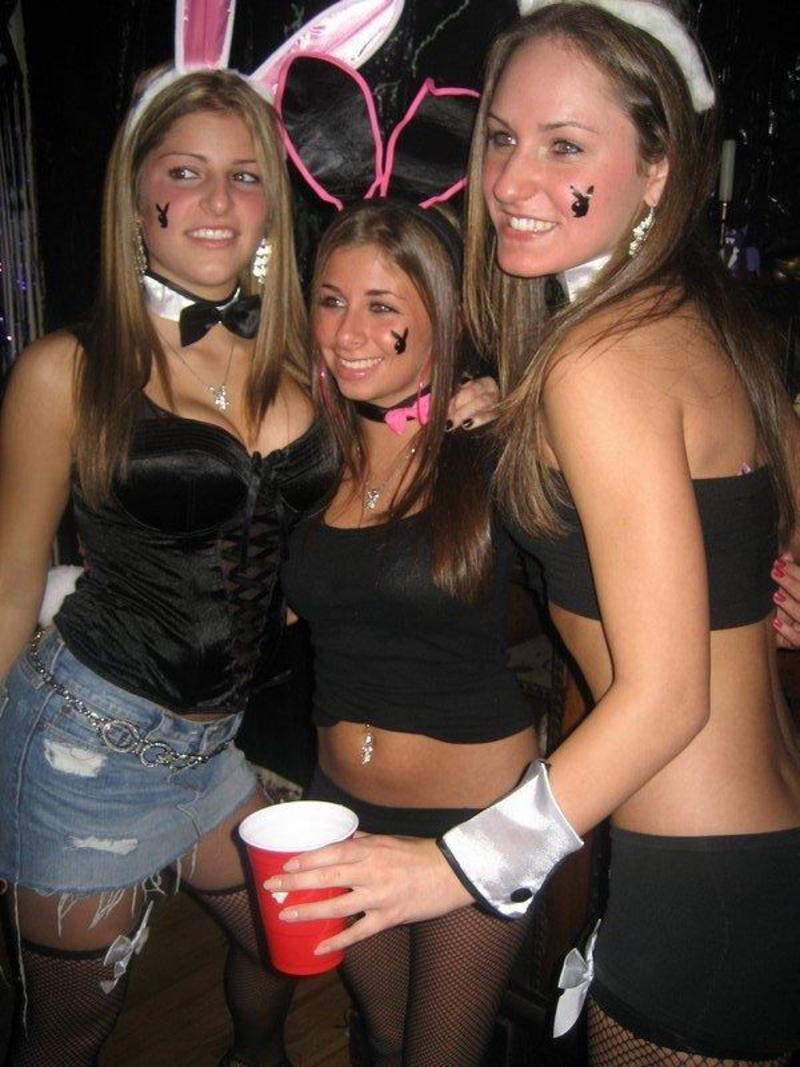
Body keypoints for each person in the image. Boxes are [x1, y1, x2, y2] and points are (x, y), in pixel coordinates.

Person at [262, 3, 800, 1064]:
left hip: (694, 875)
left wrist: (454, 866)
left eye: (565, 146)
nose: (510, 181)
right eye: (502, 138)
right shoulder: (696, 321)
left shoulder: (597, 359)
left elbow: (668, 697)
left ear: (657, 170)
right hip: (751, 844)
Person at [0, 58, 497, 1067]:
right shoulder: (67, 371)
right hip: (82, 748)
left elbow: (395, 423)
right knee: (74, 1030)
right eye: (185, 173)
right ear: (135, 197)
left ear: (273, 203)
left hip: (213, 753)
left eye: (244, 175)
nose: (218, 201)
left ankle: (255, 1055)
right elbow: (9, 589)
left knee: (284, 947)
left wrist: (471, 397)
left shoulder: (307, 369)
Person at [281, 199, 537, 1066]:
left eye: (382, 305)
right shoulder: (314, 455)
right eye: (330, 300)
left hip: (477, 821)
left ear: (442, 318)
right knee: (382, 1036)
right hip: (339, 809)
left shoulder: (494, 450)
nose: (347, 332)